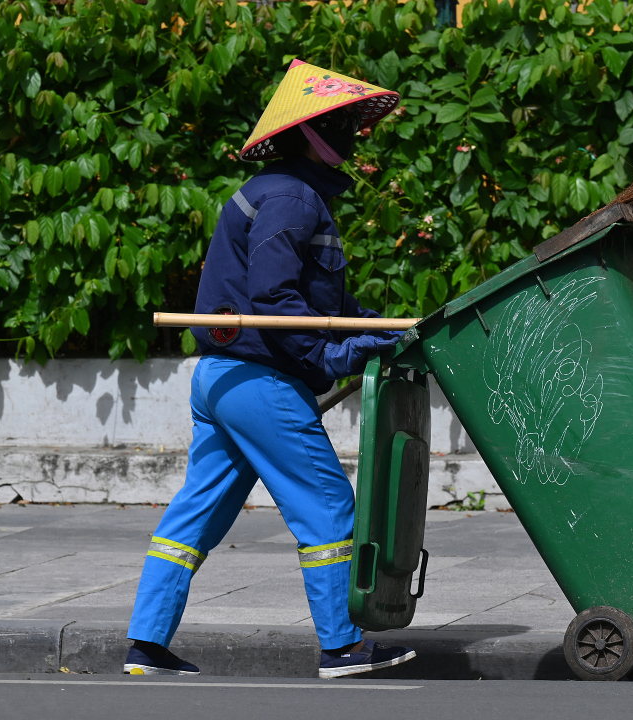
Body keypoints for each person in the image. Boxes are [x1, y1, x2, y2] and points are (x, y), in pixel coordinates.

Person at [123, 60, 416, 679]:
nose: (351, 137)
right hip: (259, 379)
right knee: (329, 506)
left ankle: (144, 647)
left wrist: (378, 328)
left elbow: (319, 306)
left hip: (223, 378)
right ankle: (343, 646)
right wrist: (328, 357)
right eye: (339, 124)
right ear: (310, 133)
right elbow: (276, 301)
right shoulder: (290, 197)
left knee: (194, 518)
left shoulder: (285, 193)